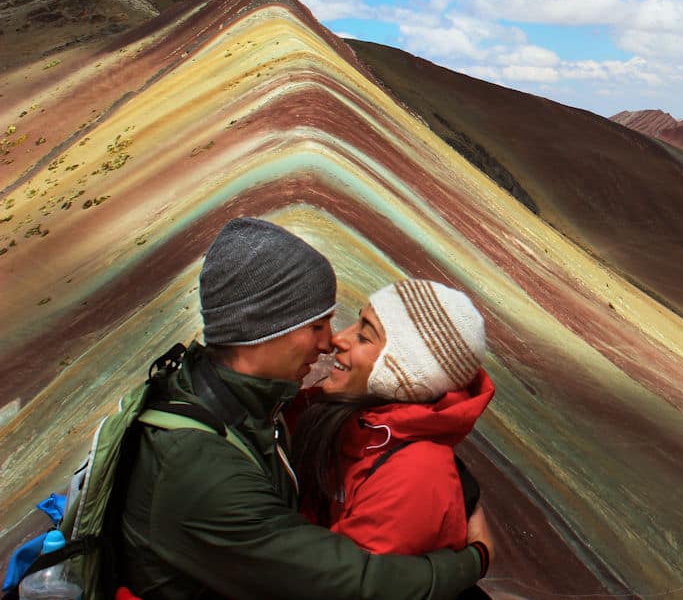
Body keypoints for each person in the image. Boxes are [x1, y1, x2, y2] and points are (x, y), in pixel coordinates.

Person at [118, 217, 492, 600]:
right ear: (264, 328)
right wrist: (474, 559)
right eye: (317, 326)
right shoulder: (200, 465)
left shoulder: (237, 403)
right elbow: (351, 584)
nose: (331, 342)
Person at [291, 279, 496, 557]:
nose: (339, 339)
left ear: (404, 372)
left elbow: (336, 582)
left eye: (364, 336)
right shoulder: (343, 422)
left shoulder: (415, 477)